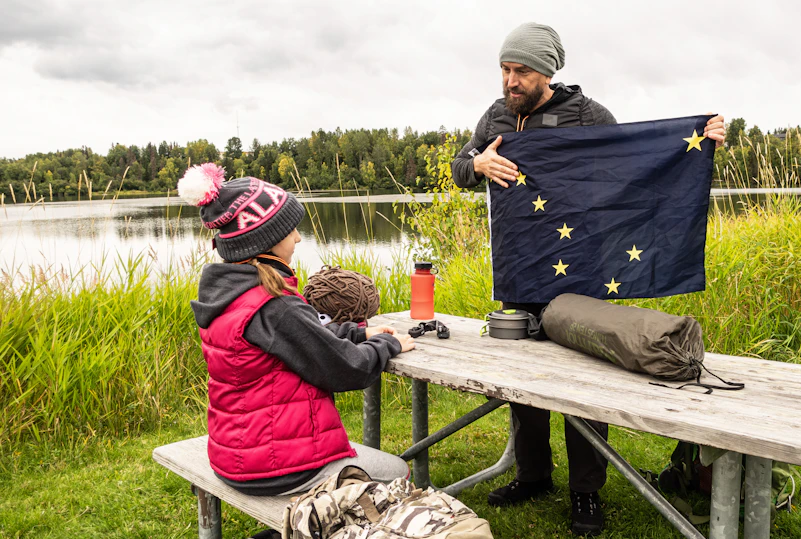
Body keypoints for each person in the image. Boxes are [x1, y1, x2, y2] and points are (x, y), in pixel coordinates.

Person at [451, 23, 726, 536]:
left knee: (585, 381)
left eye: (521, 71)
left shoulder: (588, 116)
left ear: (547, 71)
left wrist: (698, 141)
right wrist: (477, 161)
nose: (510, 80)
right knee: (523, 381)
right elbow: (460, 168)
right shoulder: (495, 115)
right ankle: (533, 475)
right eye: (505, 69)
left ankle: (587, 492)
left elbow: (633, 166)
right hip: (518, 265)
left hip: (583, 266)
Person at [179, 163, 416, 500]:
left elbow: (305, 336)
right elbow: (348, 369)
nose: (298, 237)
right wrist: (386, 344)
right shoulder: (274, 305)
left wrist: (358, 332)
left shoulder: (228, 295)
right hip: (278, 468)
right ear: (265, 241)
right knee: (398, 473)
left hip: (234, 455)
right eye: (290, 230)